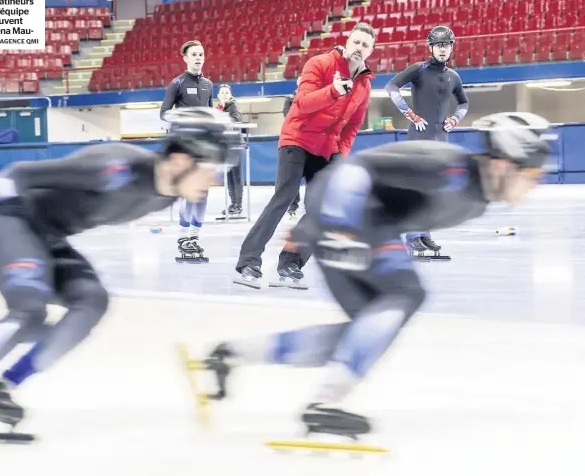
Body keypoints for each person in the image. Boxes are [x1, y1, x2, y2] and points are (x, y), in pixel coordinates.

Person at [187, 112, 554, 446]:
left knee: (367, 329)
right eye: (533, 175)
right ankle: (323, 403)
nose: (535, 185)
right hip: (345, 215)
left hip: (354, 225)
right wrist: (336, 224)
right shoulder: (451, 168)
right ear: (507, 164)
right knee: (407, 294)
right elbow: (355, 169)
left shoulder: (478, 198)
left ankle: (231, 355)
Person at [0, 107, 242, 449]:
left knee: (92, 301)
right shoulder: (115, 168)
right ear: (182, 161)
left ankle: (3, 391)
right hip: (11, 219)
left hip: (48, 235)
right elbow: (20, 172)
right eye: (213, 170)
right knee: (29, 312)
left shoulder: (162, 197)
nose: (214, 182)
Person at [234, 22, 376, 290]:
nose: (359, 48)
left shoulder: (365, 86)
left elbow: (353, 126)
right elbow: (303, 103)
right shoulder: (320, 63)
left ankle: (291, 262)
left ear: (371, 51)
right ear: (347, 43)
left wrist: (340, 155)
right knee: (284, 196)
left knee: (323, 207)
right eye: (355, 42)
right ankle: (249, 260)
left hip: (326, 149)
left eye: (365, 45)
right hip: (297, 138)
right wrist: (333, 90)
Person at [385, 25, 469, 261]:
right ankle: (412, 235)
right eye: (439, 45)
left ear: (452, 47)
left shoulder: (454, 76)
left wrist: (455, 118)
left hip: (441, 142)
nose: (443, 50)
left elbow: (464, 103)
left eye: (447, 45)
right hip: (418, 139)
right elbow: (391, 86)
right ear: (431, 47)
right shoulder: (418, 70)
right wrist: (409, 113)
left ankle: (424, 234)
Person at [160, 40, 214, 262]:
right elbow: (164, 113)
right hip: (185, 144)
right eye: (194, 54)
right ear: (185, 58)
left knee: (203, 192)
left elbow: (210, 113)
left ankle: (194, 237)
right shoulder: (177, 83)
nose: (198, 58)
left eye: (201, 54)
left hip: (204, 145)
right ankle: (183, 238)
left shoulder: (209, 84)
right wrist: (184, 122)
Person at [217, 84, 246, 218]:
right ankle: (233, 203)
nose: (224, 94)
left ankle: (238, 204)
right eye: (221, 93)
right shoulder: (220, 108)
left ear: (230, 95)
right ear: (218, 96)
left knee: (236, 176)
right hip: (226, 145)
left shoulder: (233, 105)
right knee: (229, 176)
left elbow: (236, 119)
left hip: (235, 144)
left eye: (226, 92)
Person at [282, 74, 303, 219]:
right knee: (293, 176)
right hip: (295, 141)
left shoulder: (317, 96)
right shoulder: (289, 99)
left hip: (313, 141)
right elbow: (288, 116)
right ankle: (292, 207)